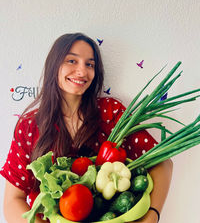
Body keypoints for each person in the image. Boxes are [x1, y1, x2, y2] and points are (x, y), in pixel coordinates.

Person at [0, 33, 173, 223]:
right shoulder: (29, 126)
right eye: (72, 60)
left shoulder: (110, 112)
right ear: (54, 65)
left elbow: (161, 162)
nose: (82, 71)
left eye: (90, 64)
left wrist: (152, 216)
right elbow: (12, 201)